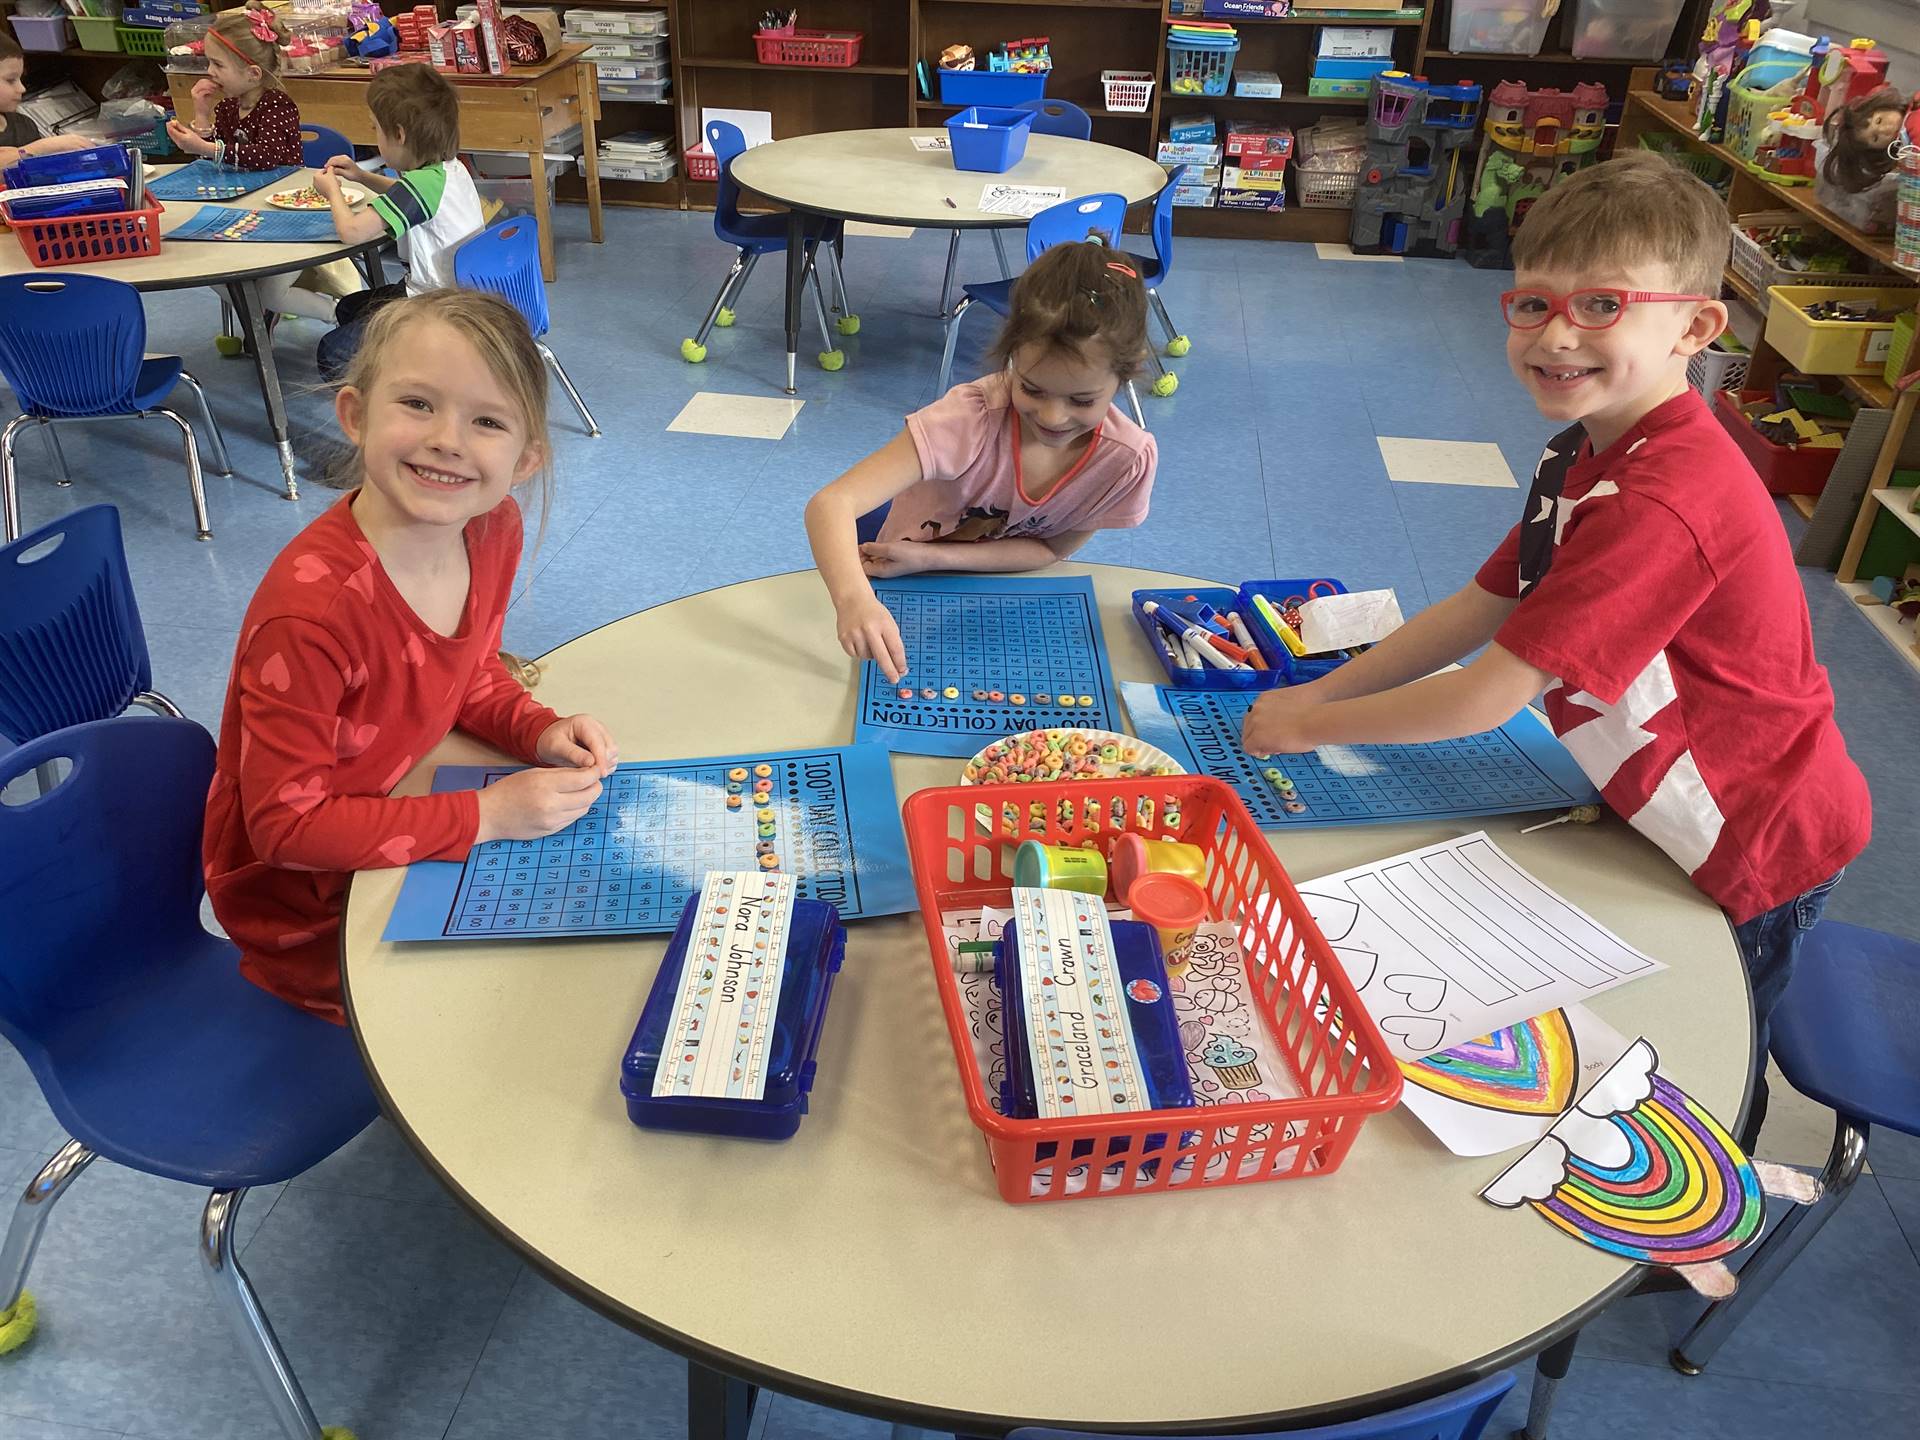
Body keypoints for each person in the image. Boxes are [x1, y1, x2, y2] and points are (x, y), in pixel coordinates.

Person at [1240, 152, 1870, 1149]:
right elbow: (1475, 608)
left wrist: (1312, 724)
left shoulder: (1666, 498)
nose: (1555, 334)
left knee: (1704, 1064)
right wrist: (1321, 690)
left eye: (1601, 306)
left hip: (1755, 834)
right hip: (1662, 797)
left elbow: (1486, 694)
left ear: (1698, 327)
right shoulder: (1579, 449)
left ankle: (1694, 1214)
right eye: (1531, 304)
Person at [203, 290, 617, 1023]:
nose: (448, 440)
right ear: (356, 416)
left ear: (523, 460)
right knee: (524, 1012)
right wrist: (484, 816)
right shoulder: (312, 618)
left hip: (408, 815)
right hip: (313, 914)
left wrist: (534, 728)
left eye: (485, 421)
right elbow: (286, 832)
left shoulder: (490, 528)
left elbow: (466, 671)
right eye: (418, 404)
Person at [805, 239, 1158, 682]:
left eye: (1082, 399)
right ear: (1011, 354)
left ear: (1127, 372)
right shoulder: (969, 419)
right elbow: (831, 504)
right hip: (904, 595)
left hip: (1002, 594)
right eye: (1030, 388)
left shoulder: (1125, 461)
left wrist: (931, 559)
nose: (1052, 417)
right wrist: (853, 600)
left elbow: (1050, 549)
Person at [160, 3, 342, 326]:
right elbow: (218, 149)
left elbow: (265, 156)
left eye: (217, 64)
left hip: (288, 216)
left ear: (253, 74)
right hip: (245, 209)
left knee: (272, 292)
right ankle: (257, 321)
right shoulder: (229, 106)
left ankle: (339, 316)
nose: (209, 72)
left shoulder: (277, 105)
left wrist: (203, 146)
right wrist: (201, 113)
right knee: (206, 267)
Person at [312, 63, 483, 380]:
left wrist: (332, 191)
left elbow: (351, 232)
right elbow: (410, 199)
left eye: (375, 128)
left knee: (333, 355)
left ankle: (391, 400)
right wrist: (362, 176)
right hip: (458, 295)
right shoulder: (448, 169)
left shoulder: (420, 185)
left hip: (437, 306)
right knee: (350, 308)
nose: (374, 136)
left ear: (400, 134)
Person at [0, 30, 95, 167]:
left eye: (20, 79)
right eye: (10, 80)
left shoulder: (24, 125)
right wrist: (41, 148)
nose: (22, 88)